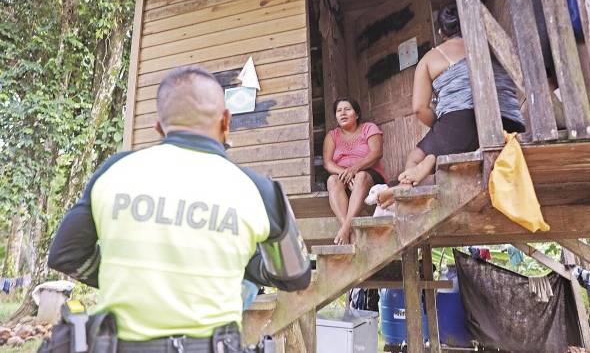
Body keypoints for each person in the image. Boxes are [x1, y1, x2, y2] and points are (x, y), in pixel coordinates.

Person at [47, 66, 311, 352]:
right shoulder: (258, 190)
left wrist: (135, 278)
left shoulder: (114, 171)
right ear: (226, 121)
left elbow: (66, 254)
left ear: (159, 127)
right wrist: (236, 266)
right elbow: (295, 276)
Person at [378, 3, 525, 208]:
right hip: (509, 122)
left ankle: (415, 179)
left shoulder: (431, 57)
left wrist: (441, 127)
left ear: (441, 31)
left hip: (460, 122)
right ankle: (430, 163)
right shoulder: (493, 43)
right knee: (459, 144)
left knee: (415, 156)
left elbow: (419, 108)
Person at [323, 98, 385, 245]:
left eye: (347, 109)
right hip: (343, 176)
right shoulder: (332, 135)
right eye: (339, 111)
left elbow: (376, 153)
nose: (343, 113)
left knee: (361, 176)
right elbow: (327, 163)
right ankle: (348, 227)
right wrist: (345, 172)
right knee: (332, 180)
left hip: (368, 173)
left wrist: (354, 169)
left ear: (357, 114)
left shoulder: (369, 128)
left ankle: (344, 229)